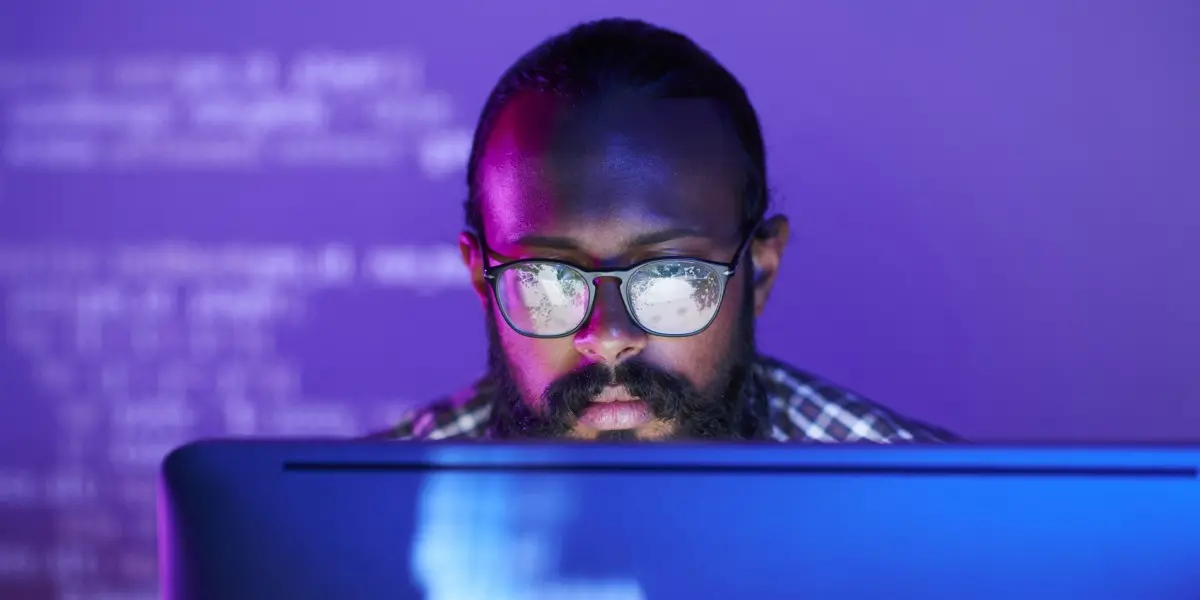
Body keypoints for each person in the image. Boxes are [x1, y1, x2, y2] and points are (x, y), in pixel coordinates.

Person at [381, 18, 956, 443]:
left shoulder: (935, 519)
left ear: (760, 270)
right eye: (549, 281)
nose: (608, 338)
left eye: (671, 277)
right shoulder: (361, 517)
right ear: (482, 278)